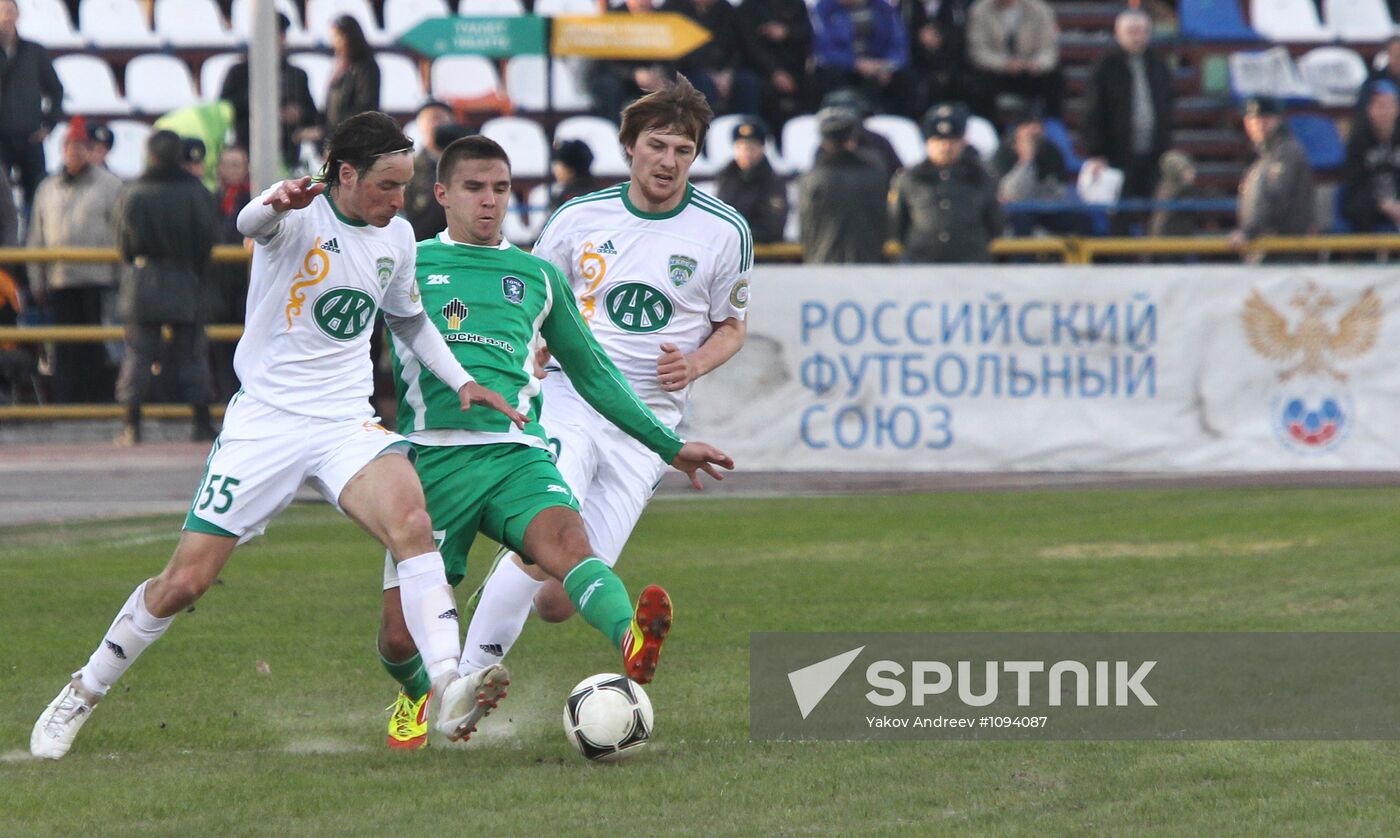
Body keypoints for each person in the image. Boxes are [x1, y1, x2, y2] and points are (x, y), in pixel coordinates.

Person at [29, 112, 528, 761]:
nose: (398, 200)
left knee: (411, 518)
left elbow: (408, 318)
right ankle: (82, 691)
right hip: (266, 421)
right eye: (386, 185)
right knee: (185, 583)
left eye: (406, 185)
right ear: (345, 175)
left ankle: (447, 685)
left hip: (344, 420)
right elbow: (249, 224)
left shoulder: (398, 237)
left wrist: (460, 379)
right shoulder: (297, 216)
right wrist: (273, 200)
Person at [377, 133, 735, 748]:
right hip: (432, 462)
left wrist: (670, 446)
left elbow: (594, 373)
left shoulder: (537, 275)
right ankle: (419, 694)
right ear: (440, 194)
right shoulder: (406, 265)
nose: (490, 201)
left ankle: (631, 636)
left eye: (500, 189)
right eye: (473, 188)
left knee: (567, 542)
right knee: (396, 639)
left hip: (517, 455)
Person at [456, 76, 751, 702]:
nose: (668, 161)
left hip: (650, 425)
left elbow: (733, 326)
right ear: (630, 148)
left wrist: (696, 363)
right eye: (657, 145)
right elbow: (533, 301)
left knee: (558, 598)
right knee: (545, 543)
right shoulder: (578, 218)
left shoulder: (725, 231)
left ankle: (504, 632)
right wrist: (531, 347)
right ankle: (461, 681)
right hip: (571, 399)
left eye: (683, 150)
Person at [111, 131, 219, 445]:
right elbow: (207, 242)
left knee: (138, 354)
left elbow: (124, 245)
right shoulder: (197, 192)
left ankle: (132, 425)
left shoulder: (133, 192)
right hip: (186, 277)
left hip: (143, 279)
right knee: (193, 355)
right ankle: (201, 423)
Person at [26, 117, 124, 403]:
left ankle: (98, 402)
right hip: (60, 280)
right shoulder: (48, 188)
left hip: (100, 280)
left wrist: (120, 276)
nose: (74, 152)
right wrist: (37, 280)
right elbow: (37, 236)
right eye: (70, 146)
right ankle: (67, 401)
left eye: (81, 146)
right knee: (65, 349)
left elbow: (120, 233)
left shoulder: (110, 185)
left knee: (98, 346)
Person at [1080, 9, 1173, 201]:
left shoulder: (1158, 65)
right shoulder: (1105, 67)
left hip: (1153, 153)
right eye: (1132, 31)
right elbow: (1093, 111)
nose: (1138, 37)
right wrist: (1096, 152)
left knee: (1153, 211)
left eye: (1142, 31)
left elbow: (1167, 105)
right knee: (1120, 215)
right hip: (1116, 154)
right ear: (1118, 33)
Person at [892, 103, 1002, 262]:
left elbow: (994, 223)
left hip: (970, 261)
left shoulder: (979, 176)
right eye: (938, 140)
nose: (945, 146)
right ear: (927, 142)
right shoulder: (910, 178)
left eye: (952, 140)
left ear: (963, 141)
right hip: (922, 261)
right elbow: (898, 225)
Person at [220, 13, 319, 170]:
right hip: (248, 153)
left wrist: (297, 113)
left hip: (288, 152)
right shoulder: (238, 72)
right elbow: (224, 108)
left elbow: (312, 114)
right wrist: (259, 104)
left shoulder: (296, 75)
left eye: (280, 36)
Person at [798, 106, 889, 263]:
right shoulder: (875, 175)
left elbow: (806, 228)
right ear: (852, 140)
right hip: (868, 265)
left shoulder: (812, 180)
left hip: (823, 263)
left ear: (824, 142)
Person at [1230, 96, 1315, 258]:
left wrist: (1248, 232)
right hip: (1267, 248)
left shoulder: (1286, 152)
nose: (1258, 125)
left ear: (1278, 120)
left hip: (1286, 250)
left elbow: (1275, 196)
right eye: (1252, 119)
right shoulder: (1262, 157)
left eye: (1265, 118)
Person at [0, 0, 63, 215]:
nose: (6, 17)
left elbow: (56, 90)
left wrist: (49, 124)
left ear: (18, 15)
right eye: (1, 12)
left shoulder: (34, 52)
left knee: (37, 199)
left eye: (9, 11)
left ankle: (33, 245)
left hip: (30, 137)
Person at [811, 0, 915, 118]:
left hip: (878, 65)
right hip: (845, 67)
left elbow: (899, 44)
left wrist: (887, 66)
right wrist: (856, 64)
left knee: (904, 78)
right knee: (830, 75)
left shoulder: (883, 7)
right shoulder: (824, 9)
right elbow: (824, 51)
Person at [965, 0, 1062, 120]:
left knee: (1055, 77)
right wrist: (1004, 64)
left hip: (1030, 72)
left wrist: (1037, 64)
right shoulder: (980, 10)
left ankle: (1052, 123)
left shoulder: (1040, 9)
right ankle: (988, 125)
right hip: (996, 72)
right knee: (978, 82)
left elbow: (1049, 50)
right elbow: (977, 51)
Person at [662, 0, 762, 117]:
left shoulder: (725, 9)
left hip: (724, 70)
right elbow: (673, 53)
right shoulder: (672, 8)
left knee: (748, 82)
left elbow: (738, 46)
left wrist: (728, 73)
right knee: (703, 84)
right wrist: (710, 74)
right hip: (687, 70)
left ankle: (745, 128)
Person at [736, 0, 812, 133]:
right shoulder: (748, 7)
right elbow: (749, 47)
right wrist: (775, 71)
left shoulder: (796, 4)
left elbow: (807, 33)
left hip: (795, 68)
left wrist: (787, 32)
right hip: (762, 70)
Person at [1339, 81, 1400, 233]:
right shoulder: (1357, 142)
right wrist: (1382, 205)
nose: (1384, 112)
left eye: (1388, 105)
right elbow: (1354, 186)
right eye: (1379, 106)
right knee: (1358, 209)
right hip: (1370, 209)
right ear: (1369, 109)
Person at [715, 117, 788, 243]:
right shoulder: (726, 178)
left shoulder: (773, 182)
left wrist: (737, 235)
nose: (747, 152)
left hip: (763, 254)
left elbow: (773, 228)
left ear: (762, 149)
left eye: (752, 147)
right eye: (742, 146)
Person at [403, 101, 460, 241]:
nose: (438, 125)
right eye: (433, 119)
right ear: (420, 126)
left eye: (442, 119)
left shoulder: (464, 164)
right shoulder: (409, 169)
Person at [323, 15, 380, 133]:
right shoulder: (338, 67)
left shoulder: (366, 68)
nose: (334, 43)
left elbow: (365, 107)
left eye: (338, 37)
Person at [548, 138, 600, 213]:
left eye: (558, 164)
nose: (555, 169)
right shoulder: (597, 192)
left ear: (571, 169)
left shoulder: (568, 198)